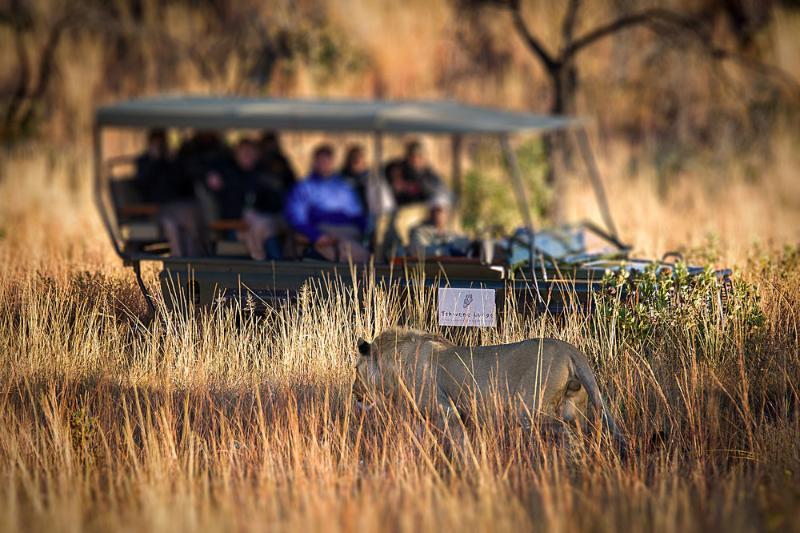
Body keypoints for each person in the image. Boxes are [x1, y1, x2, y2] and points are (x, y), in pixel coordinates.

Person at [284, 144, 369, 262]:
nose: (324, 164)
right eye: (320, 160)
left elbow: (357, 215)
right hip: (323, 232)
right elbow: (296, 218)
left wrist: (366, 231)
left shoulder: (343, 186)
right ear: (314, 162)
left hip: (349, 231)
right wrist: (316, 235)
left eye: (327, 160)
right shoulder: (304, 187)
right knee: (355, 254)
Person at [134, 129, 206, 257]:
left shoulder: (172, 161)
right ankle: (180, 259)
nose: (161, 147)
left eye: (162, 143)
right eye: (157, 144)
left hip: (177, 206)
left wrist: (173, 162)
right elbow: (142, 184)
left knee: (187, 214)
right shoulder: (144, 161)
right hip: (156, 208)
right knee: (172, 221)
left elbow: (183, 184)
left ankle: (192, 259)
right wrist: (154, 161)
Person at [408, 192, 470, 258]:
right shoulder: (419, 232)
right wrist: (445, 250)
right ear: (431, 212)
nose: (440, 214)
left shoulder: (454, 234)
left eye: (445, 210)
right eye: (438, 210)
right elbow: (419, 251)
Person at [389, 140, 447, 205]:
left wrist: (421, 186)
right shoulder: (397, 170)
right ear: (407, 157)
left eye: (419, 156)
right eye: (413, 156)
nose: (416, 159)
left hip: (423, 209)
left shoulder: (429, 174)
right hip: (402, 209)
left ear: (424, 158)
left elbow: (439, 190)